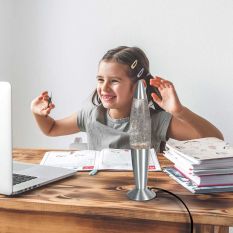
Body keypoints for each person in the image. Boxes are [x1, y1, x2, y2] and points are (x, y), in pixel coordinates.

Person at [31, 46, 223, 151]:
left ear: (138, 85)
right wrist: (39, 114)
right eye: (100, 79)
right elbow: (52, 128)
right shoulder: (91, 115)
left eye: (114, 81)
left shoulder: (154, 121)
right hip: (99, 197)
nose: (104, 88)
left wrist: (179, 112)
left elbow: (214, 139)